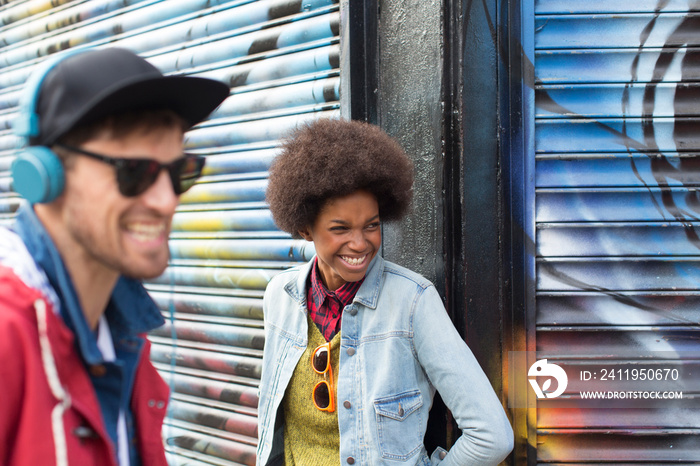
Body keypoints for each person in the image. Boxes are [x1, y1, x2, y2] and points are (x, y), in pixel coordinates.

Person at [0, 47, 229, 466]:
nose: (166, 201)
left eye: (181, 172)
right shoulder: (8, 335)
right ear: (42, 176)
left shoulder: (120, 336)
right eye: (133, 172)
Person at [257, 118, 514, 465]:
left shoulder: (413, 302)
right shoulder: (280, 297)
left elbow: (492, 436)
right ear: (305, 228)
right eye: (340, 228)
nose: (360, 243)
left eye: (372, 225)